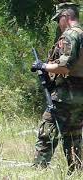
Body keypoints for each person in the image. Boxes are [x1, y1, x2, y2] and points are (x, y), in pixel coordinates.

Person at [31, 2, 83, 171]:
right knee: (73, 135)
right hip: (79, 96)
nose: (58, 24)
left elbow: (65, 66)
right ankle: (77, 171)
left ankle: (38, 170)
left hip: (64, 95)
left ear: (66, 17)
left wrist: (43, 66)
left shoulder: (70, 36)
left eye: (58, 19)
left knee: (47, 132)